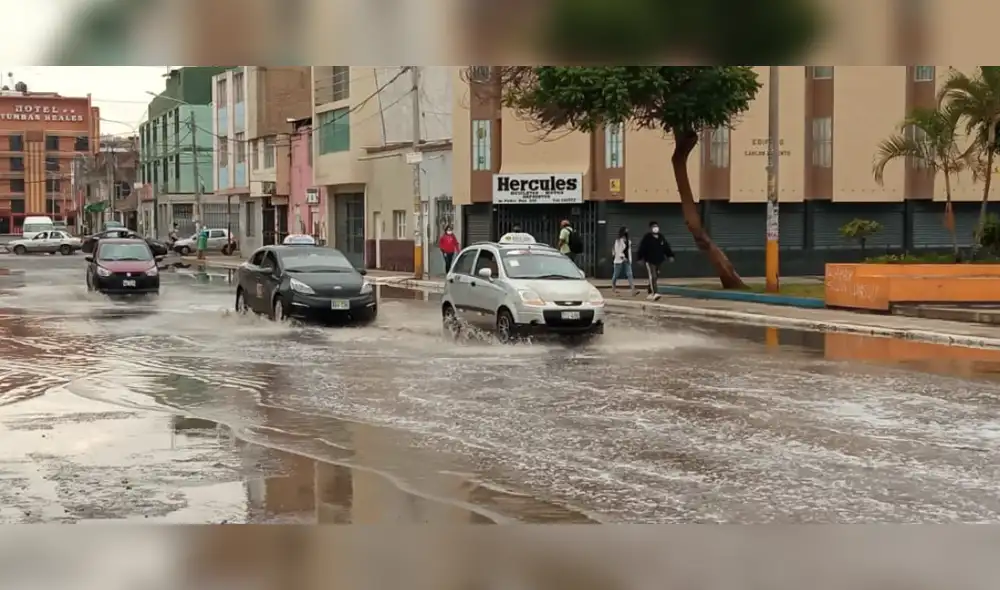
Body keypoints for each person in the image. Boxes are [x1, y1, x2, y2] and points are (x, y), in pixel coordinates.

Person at [636, 221, 674, 301]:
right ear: (650, 228)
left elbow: (666, 247)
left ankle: (650, 292)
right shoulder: (647, 238)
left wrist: (670, 255)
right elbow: (642, 248)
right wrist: (640, 258)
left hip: (659, 260)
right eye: (654, 227)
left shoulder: (661, 237)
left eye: (656, 226)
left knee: (656, 276)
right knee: (653, 276)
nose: (655, 228)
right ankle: (655, 293)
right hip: (650, 261)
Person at [610, 226, 636, 296]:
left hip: (627, 260)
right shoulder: (618, 240)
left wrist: (629, 259)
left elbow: (629, 251)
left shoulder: (628, 241)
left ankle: (633, 289)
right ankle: (613, 287)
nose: (627, 231)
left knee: (629, 274)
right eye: (626, 230)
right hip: (619, 260)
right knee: (616, 275)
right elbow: (617, 250)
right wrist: (623, 257)